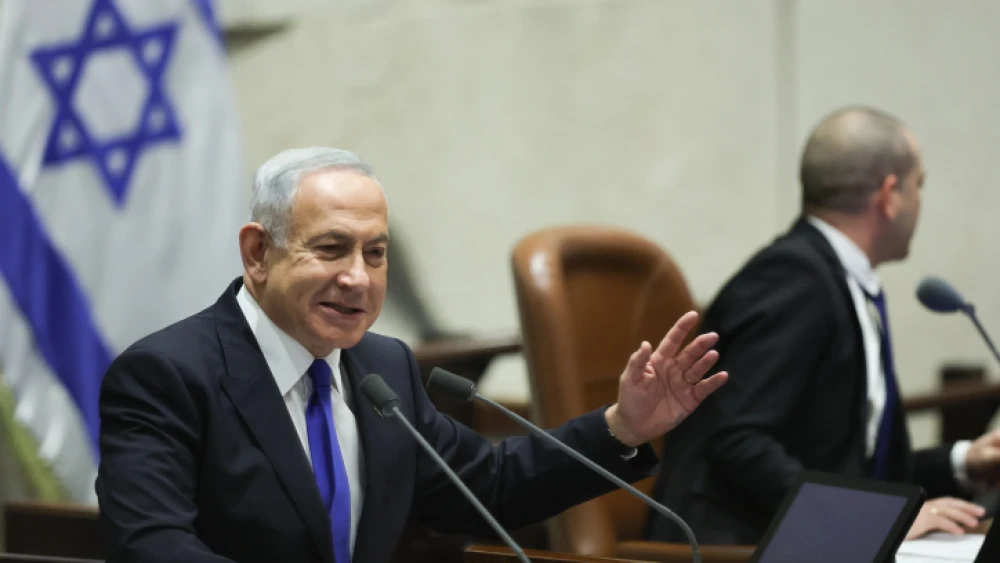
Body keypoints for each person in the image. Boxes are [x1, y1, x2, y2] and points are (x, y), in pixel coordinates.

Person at [95, 147, 729, 563]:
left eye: (375, 253)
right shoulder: (167, 375)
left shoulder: (381, 367)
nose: (359, 278)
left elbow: (489, 486)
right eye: (331, 248)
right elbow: (153, 546)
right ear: (259, 253)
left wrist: (623, 427)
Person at [645, 106, 1000, 546]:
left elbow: (851, 465)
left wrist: (964, 463)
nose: (920, 201)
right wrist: (873, 521)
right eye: (919, 185)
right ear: (889, 195)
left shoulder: (832, 278)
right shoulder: (793, 278)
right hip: (733, 547)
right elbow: (739, 443)